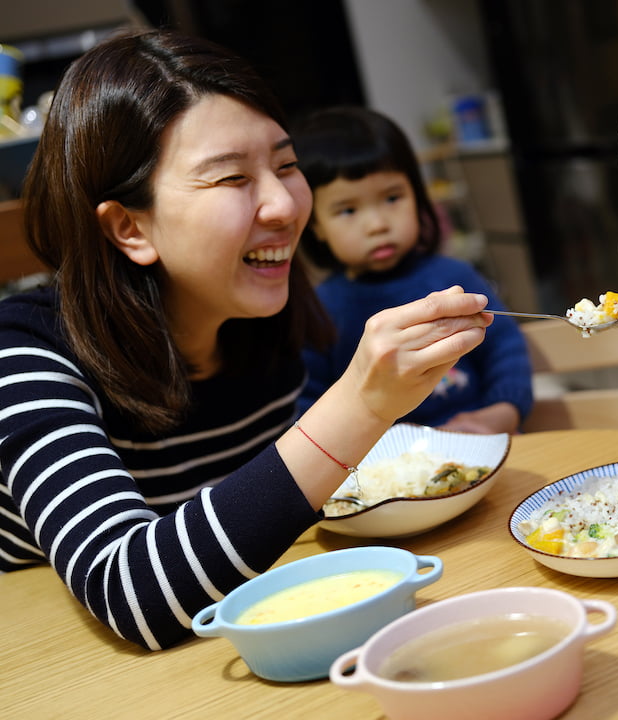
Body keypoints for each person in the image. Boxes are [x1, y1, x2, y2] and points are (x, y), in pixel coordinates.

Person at [0, 29, 494, 650]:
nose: (285, 205)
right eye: (232, 179)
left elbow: (260, 515)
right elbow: (131, 591)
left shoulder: (260, 320)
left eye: (287, 166)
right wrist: (361, 404)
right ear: (130, 226)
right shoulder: (24, 355)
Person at [293, 106, 533, 434]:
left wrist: (501, 414)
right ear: (314, 224)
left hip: (484, 444)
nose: (377, 224)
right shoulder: (317, 314)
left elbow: (506, 353)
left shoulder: (455, 280)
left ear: (417, 196)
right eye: (348, 209)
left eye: (392, 198)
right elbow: (307, 414)